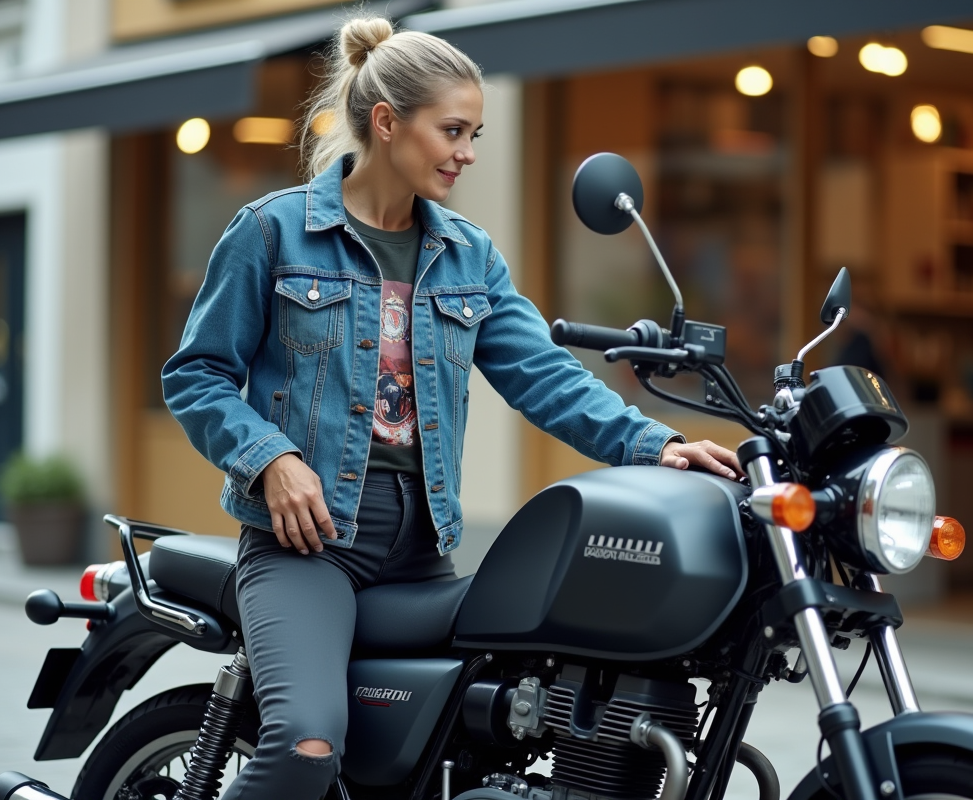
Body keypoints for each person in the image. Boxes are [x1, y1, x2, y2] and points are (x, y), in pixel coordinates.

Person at [161, 16, 742, 799]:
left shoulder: (470, 255)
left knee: (475, 741)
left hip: (421, 548)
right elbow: (196, 375)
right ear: (387, 122)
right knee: (305, 748)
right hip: (309, 545)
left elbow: (544, 375)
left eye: (476, 133)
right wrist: (271, 460)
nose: (468, 152)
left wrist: (655, 444)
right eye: (453, 130)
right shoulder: (273, 231)